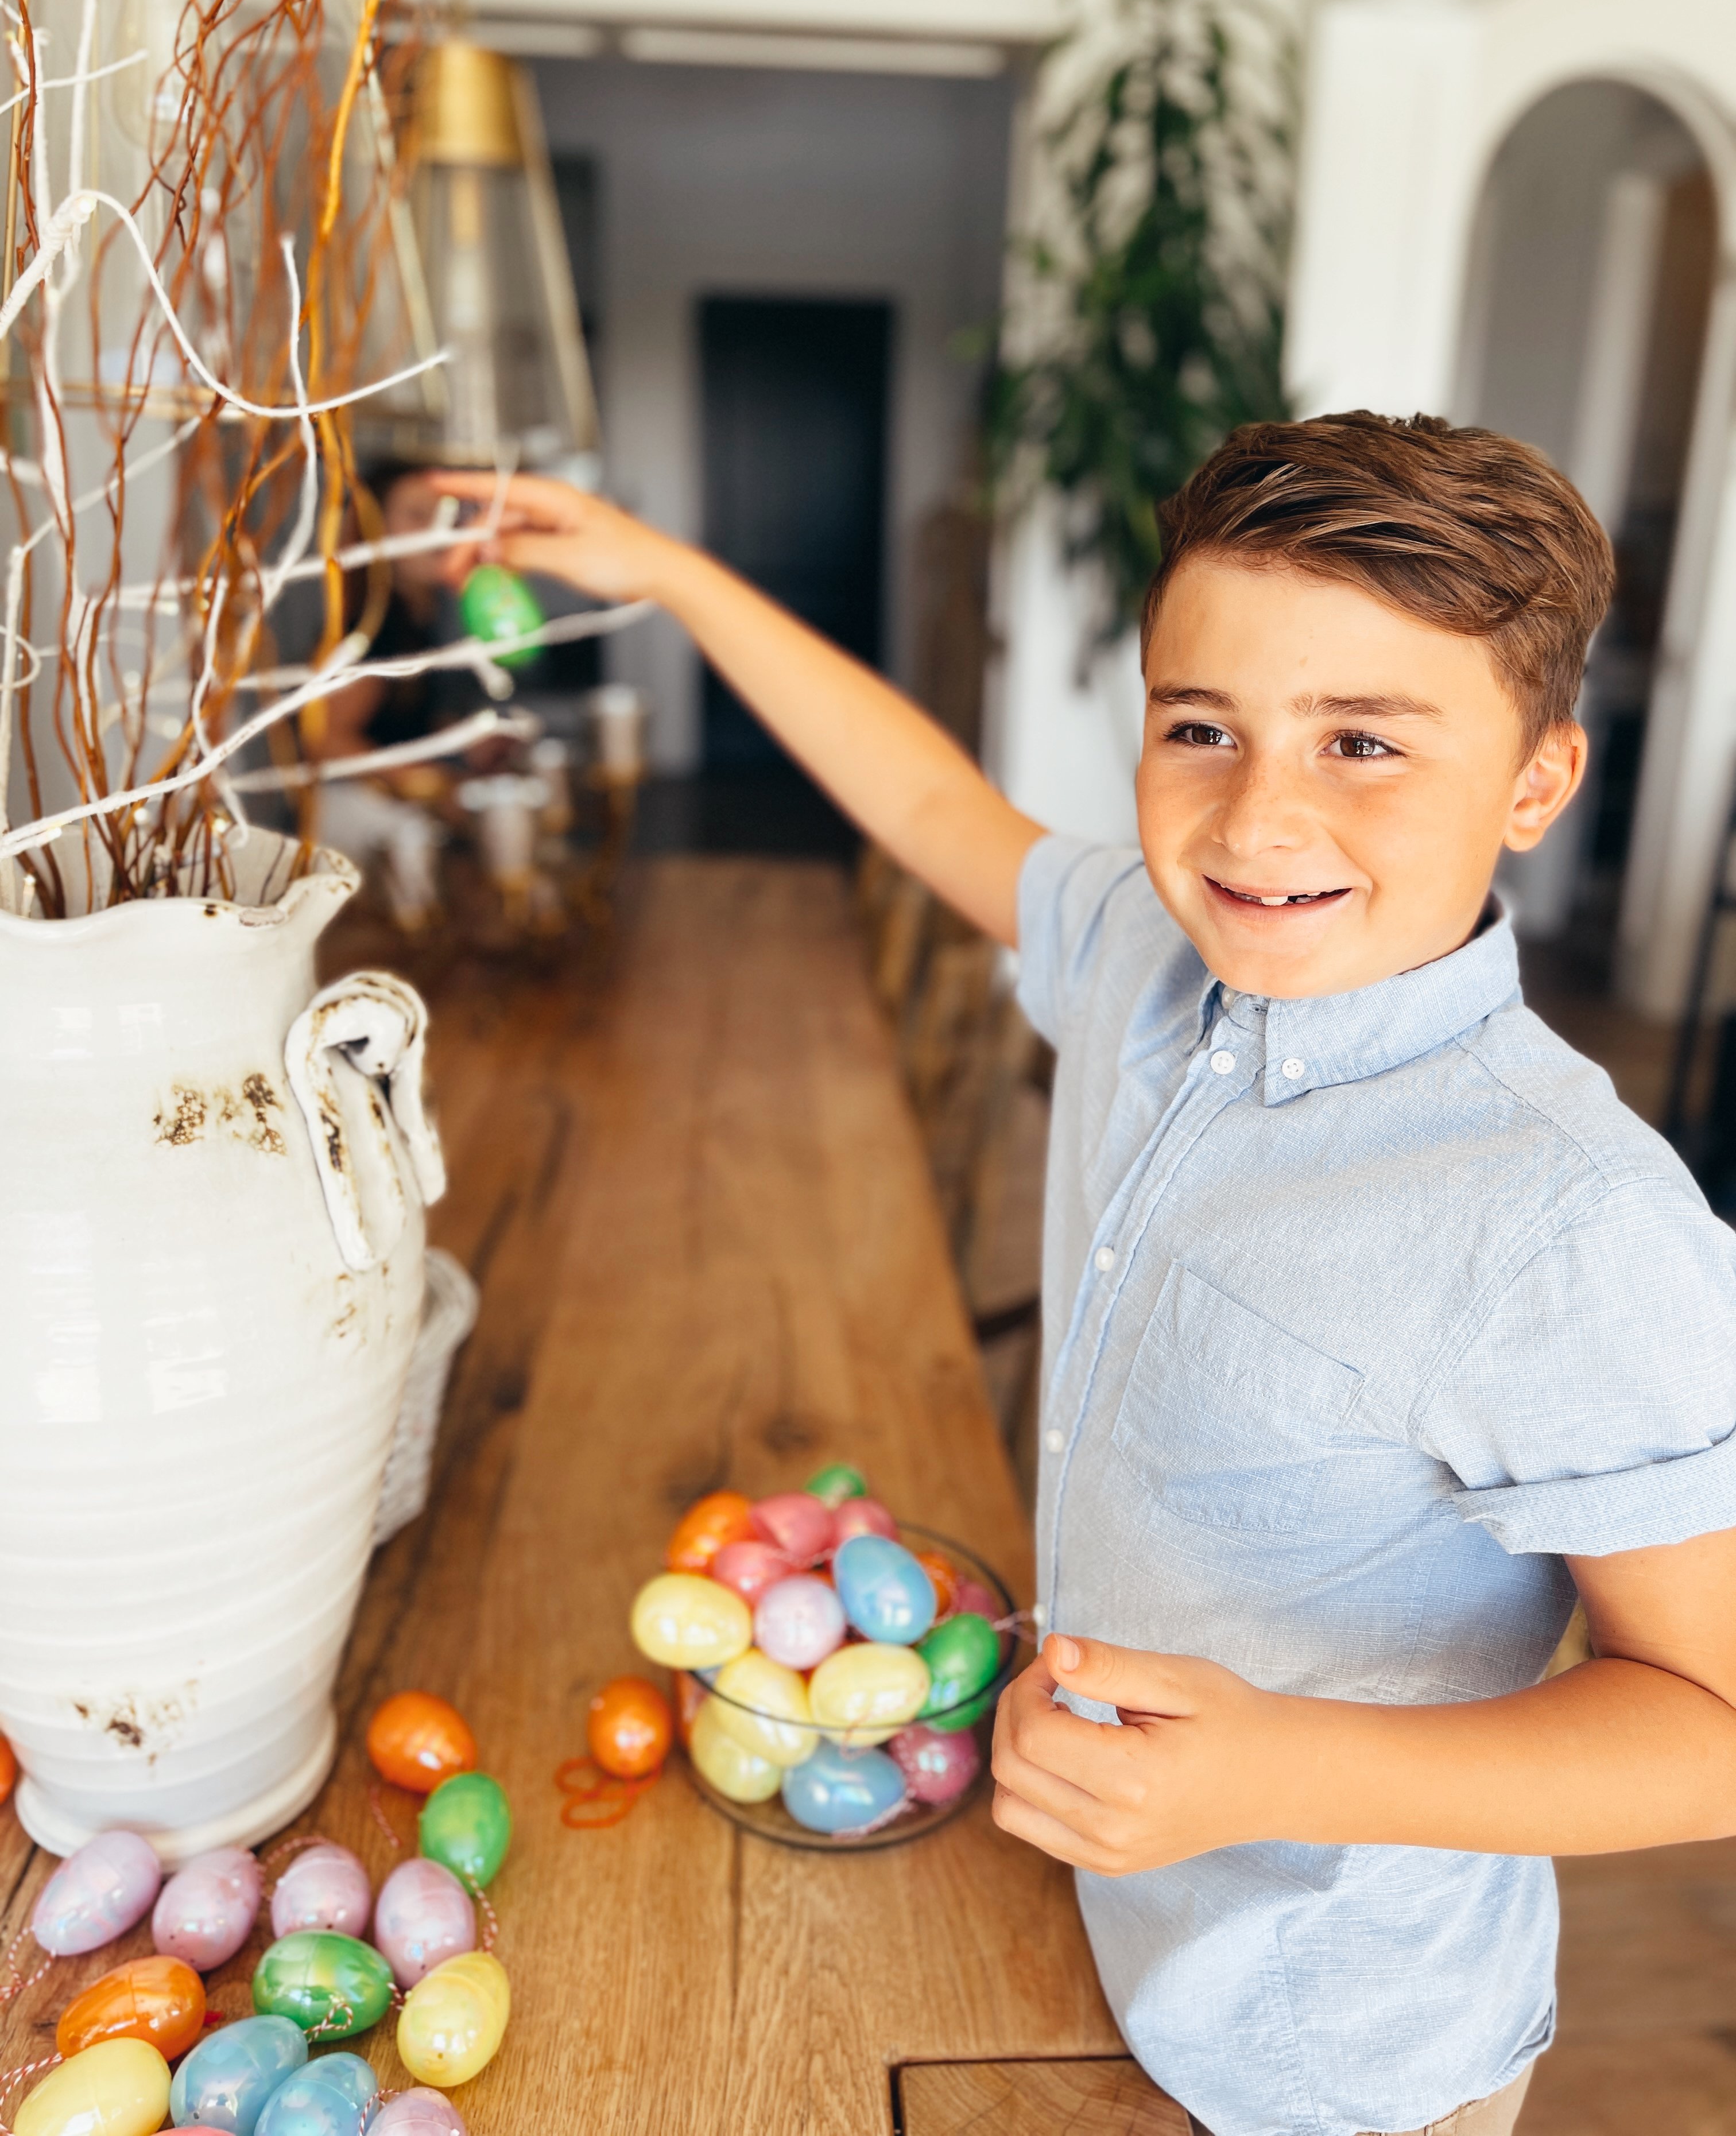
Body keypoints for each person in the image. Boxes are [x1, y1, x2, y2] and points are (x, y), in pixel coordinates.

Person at [430, 414, 1736, 2136]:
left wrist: (1271, 1768)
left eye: (1363, 741)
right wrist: (670, 574)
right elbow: (926, 801)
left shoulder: (1571, 1224)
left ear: (1536, 783)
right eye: (1201, 726)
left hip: (1333, 2058)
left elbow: (1712, 1722)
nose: (1260, 814)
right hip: (1079, 1912)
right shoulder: (1148, 943)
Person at [310, 463, 489, 930]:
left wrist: (466, 742)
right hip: (343, 811)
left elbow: (409, 714)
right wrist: (424, 781)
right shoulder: (365, 625)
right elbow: (326, 739)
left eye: (446, 513)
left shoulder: (426, 609)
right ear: (373, 530)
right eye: (415, 515)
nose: (438, 529)